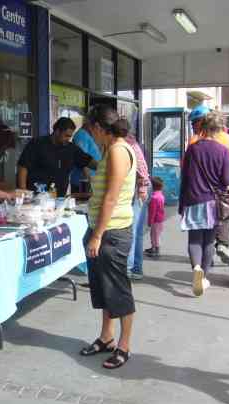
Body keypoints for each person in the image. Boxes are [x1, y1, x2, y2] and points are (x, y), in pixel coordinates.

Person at [81, 111, 136, 370]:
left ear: (100, 128)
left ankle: (124, 346)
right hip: (102, 229)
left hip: (112, 232)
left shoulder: (117, 151)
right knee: (104, 289)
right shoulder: (109, 149)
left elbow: (111, 199)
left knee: (118, 289)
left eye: (92, 130)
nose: (91, 135)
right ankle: (106, 337)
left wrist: (98, 235)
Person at [179, 110, 229, 297]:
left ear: (203, 127)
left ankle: (196, 269)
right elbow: (226, 180)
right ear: (219, 129)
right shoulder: (223, 151)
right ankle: (204, 277)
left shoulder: (192, 149)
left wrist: (181, 204)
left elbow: (184, 177)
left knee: (194, 240)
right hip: (213, 203)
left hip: (193, 200)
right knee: (209, 241)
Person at [189, 105, 229, 265]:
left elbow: (186, 171)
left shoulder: (194, 142)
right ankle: (222, 244)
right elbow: (227, 173)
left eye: (194, 123)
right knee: (216, 229)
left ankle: (198, 267)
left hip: (195, 195)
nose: (193, 126)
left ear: (202, 122)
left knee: (195, 238)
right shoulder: (228, 140)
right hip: (217, 194)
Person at [17, 117, 98, 197]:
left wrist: (106, 168)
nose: (68, 139)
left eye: (70, 136)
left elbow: (89, 161)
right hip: (36, 199)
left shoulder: (71, 149)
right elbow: (23, 167)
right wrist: (24, 192)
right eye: (66, 135)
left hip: (59, 200)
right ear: (57, 131)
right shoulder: (37, 144)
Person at [126, 134, 151, 280]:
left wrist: (141, 189)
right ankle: (136, 268)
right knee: (137, 231)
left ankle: (129, 268)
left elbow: (141, 171)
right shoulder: (131, 142)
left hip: (139, 188)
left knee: (133, 229)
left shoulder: (125, 145)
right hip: (141, 187)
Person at [69, 110, 102, 193]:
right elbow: (82, 161)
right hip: (83, 183)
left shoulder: (87, 135)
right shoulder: (81, 135)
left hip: (90, 182)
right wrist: (89, 182)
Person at [145, 177, 165, 258]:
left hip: (155, 220)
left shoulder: (154, 198)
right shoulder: (160, 195)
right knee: (155, 235)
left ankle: (156, 250)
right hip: (160, 220)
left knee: (154, 235)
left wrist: (150, 221)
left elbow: (152, 212)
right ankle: (153, 247)